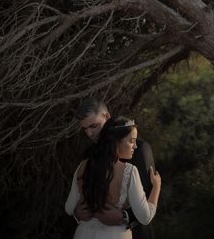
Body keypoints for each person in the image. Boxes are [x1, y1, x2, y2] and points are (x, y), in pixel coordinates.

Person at [65, 98, 157, 239]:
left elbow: (147, 194)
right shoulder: (89, 154)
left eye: (93, 126)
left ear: (107, 117)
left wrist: (124, 216)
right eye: (85, 129)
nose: (89, 133)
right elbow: (79, 197)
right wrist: (77, 213)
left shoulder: (140, 150)